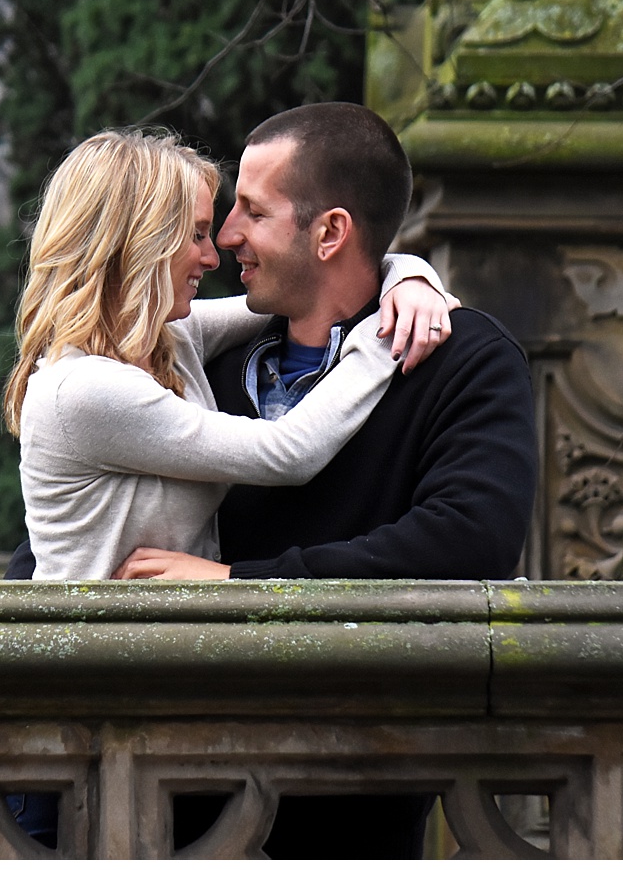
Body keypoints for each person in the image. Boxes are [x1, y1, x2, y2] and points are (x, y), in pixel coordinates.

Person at [108, 102, 538, 858]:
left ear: (331, 231)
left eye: (251, 210)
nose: (227, 236)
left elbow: (471, 539)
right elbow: (74, 522)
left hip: (354, 796)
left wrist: (241, 581)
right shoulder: (190, 361)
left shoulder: (462, 360)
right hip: (165, 797)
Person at [4, 127, 457, 582]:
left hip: (157, 641)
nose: (213, 254)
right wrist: (389, 334)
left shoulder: (167, 339)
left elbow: (309, 289)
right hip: (93, 648)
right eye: (196, 234)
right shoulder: (83, 389)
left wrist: (407, 275)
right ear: (140, 241)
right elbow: (287, 453)